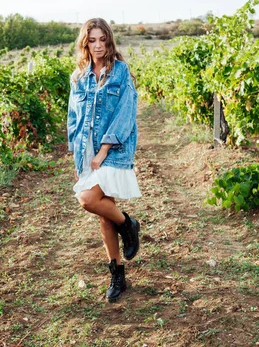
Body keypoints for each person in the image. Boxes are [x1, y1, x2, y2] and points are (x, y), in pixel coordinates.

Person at [67, 18, 142, 303]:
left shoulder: (120, 72)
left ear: (109, 42)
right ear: (85, 43)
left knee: (88, 199)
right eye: (92, 40)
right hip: (87, 153)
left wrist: (103, 150)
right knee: (103, 211)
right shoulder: (79, 76)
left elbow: (125, 113)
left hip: (114, 150)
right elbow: (73, 120)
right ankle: (117, 274)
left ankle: (127, 225)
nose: (98, 46)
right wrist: (79, 158)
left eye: (102, 40)